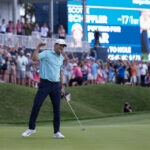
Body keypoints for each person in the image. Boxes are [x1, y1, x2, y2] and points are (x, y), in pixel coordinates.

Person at [22, 39, 67, 139]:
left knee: (57, 109)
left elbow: (60, 73)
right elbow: (34, 59)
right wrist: (38, 46)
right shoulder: (47, 53)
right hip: (45, 84)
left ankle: (57, 132)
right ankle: (31, 128)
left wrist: (62, 87)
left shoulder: (61, 58)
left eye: (63, 46)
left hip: (56, 85)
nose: (62, 47)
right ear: (55, 45)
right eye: (61, 45)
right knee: (36, 105)